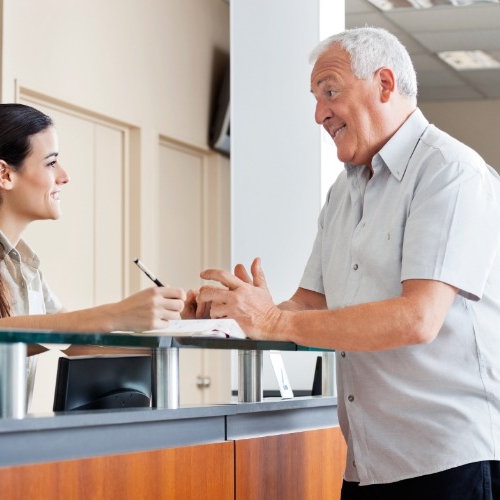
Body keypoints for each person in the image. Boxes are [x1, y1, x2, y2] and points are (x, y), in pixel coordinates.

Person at [197, 27, 500, 499]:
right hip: (369, 462)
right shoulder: (344, 191)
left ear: (384, 84)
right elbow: (306, 306)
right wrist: (238, 312)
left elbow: (418, 319)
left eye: (330, 92)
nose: (319, 114)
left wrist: (272, 321)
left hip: (449, 459)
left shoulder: (450, 172)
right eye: (316, 99)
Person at [0, 103, 186, 416]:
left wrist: (180, 327)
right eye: (51, 163)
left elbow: (76, 344)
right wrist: (116, 314)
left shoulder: (25, 265)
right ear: (4, 174)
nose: (64, 176)